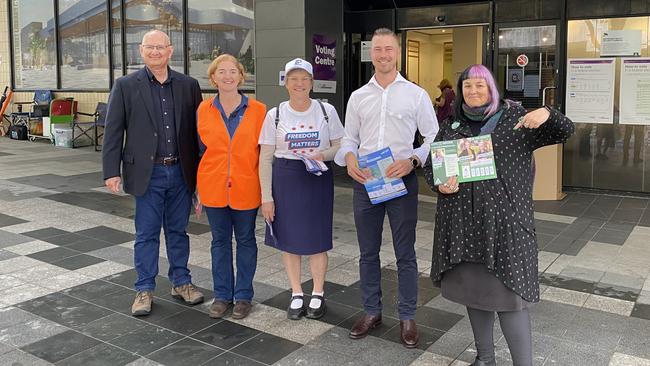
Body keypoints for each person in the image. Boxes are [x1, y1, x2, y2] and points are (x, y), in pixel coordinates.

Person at [423, 64, 575, 366]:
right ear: (461, 90)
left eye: (480, 85)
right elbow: (431, 167)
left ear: (491, 88)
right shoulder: (452, 124)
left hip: (504, 228)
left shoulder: (514, 119)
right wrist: (441, 184)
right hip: (464, 228)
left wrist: (548, 113)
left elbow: (565, 130)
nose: (474, 91)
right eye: (468, 86)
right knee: (475, 294)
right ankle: (485, 358)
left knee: (510, 300)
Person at [334, 27, 439, 349]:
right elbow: (348, 138)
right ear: (371, 54)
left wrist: (413, 161)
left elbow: (433, 137)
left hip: (400, 180)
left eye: (388, 49)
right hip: (366, 181)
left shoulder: (416, 94)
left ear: (398, 52)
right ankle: (371, 311)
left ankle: (407, 316)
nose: (383, 55)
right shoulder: (358, 96)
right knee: (367, 252)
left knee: (405, 254)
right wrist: (349, 158)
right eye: (377, 49)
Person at [102, 30, 204, 316]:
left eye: (161, 47)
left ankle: (181, 282)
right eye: (150, 47)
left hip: (181, 172)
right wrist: (111, 170)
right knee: (146, 234)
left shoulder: (189, 85)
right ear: (141, 50)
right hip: (147, 172)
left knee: (178, 232)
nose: (156, 52)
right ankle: (144, 289)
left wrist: (201, 176)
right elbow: (113, 131)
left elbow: (198, 134)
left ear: (170, 51)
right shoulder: (125, 85)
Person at [258, 58, 345, 320]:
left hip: (316, 179)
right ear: (286, 83)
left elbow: (341, 145)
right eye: (293, 79)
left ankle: (317, 292)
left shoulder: (326, 111)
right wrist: (266, 197)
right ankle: (297, 293)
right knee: (289, 241)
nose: (299, 84)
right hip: (286, 180)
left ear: (312, 82)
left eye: (304, 78)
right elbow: (265, 158)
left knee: (318, 241)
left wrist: (322, 154)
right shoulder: (275, 115)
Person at [195, 54, 266, 320]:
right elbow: (200, 151)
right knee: (219, 241)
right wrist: (197, 189)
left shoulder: (259, 110)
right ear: (213, 78)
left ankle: (244, 296)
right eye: (221, 72)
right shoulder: (203, 110)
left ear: (241, 76)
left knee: (246, 240)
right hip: (212, 186)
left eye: (232, 72)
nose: (227, 76)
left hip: (246, 186)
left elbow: (264, 153)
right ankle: (222, 294)